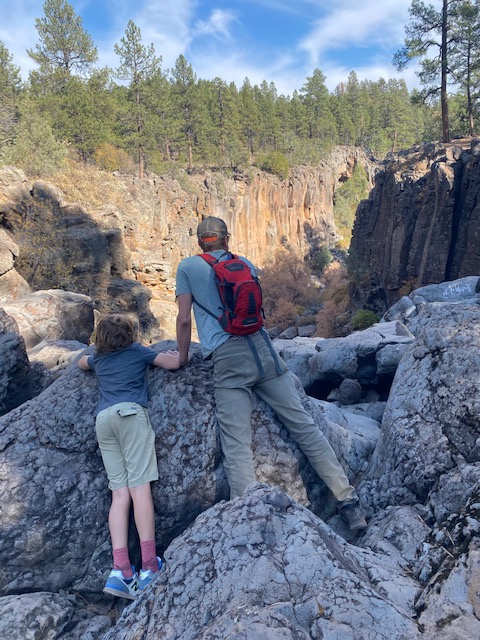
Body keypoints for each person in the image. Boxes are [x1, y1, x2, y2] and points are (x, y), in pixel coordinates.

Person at [175, 216, 367, 532]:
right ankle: (349, 503)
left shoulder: (187, 267)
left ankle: (247, 521)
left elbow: (184, 320)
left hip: (228, 359)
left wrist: (182, 357)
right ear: (226, 239)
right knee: (305, 427)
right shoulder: (244, 263)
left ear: (200, 242)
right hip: (264, 351)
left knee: (237, 442)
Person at [78, 314, 180, 599]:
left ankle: (121, 570)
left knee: (119, 494)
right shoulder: (137, 352)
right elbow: (172, 364)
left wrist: (88, 354)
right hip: (130, 415)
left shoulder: (98, 360)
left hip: (104, 421)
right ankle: (149, 566)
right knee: (140, 488)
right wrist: (175, 354)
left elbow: (80, 362)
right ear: (130, 336)